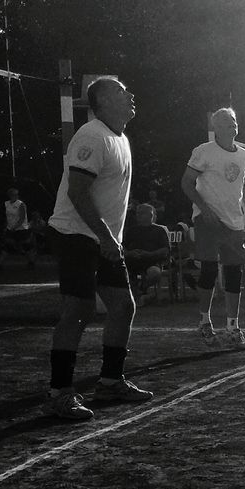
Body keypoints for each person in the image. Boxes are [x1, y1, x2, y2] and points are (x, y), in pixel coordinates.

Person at [44, 76, 152, 421]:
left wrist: (110, 238)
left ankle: (110, 381)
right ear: (102, 101)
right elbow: (78, 192)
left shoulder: (119, 137)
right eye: (122, 91)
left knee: (123, 306)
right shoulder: (92, 135)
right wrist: (106, 237)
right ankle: (60, 392)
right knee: (78, 309)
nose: (132, 94)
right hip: (76, 233)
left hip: (102, 237)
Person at [180, 106, 245, 351]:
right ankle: (205, 322)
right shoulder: (204, 152)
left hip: (234, 222)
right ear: (216, 128)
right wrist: (204, 209)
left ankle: (233, 327)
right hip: (208, 220)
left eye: (233, 120)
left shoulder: (244, 155)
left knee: (235, 273)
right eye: (225, 121)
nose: (232, 125)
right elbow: (186, 183)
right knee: (209, 270)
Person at [123, 202, 171, 302]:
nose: (138, 215)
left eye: (142, 213)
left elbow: (165, 249)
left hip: (152, 261)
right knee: (122, 272)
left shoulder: (159, 230)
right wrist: (129, 253)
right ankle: (134, 296)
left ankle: (141, 288)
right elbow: (123, 247)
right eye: (138, 213)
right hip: (133, 260)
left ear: (151, 215)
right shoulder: (132, 230)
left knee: (155, 273)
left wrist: (150, 254)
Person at [0, 186, 37, 270]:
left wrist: (16, 226)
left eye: (16, 194)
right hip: (10, 228)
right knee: (7, 246)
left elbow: (22, 218)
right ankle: (0, 263)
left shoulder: (21, 204)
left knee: (26, 246)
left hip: (21, 229)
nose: (15, 196)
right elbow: (7, 216)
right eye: (13, 195)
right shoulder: (6, 204)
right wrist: (7, 226)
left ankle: (31, 262)